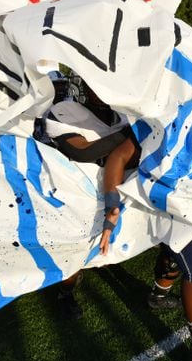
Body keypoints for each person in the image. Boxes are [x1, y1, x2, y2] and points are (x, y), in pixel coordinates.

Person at [98, 134, 192, 361]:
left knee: (177, 255)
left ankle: (158, 296)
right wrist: (112, 207)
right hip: (157, 205)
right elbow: (119, 156)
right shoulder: (163, 112)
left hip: (188, 204)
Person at [43, 79, 134, 318]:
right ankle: (65, 292)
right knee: (73, 250)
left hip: (113, 186)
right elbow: (83, 150)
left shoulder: (121, 113)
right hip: (74, 191)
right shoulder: (62, 111)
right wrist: (132, 133)